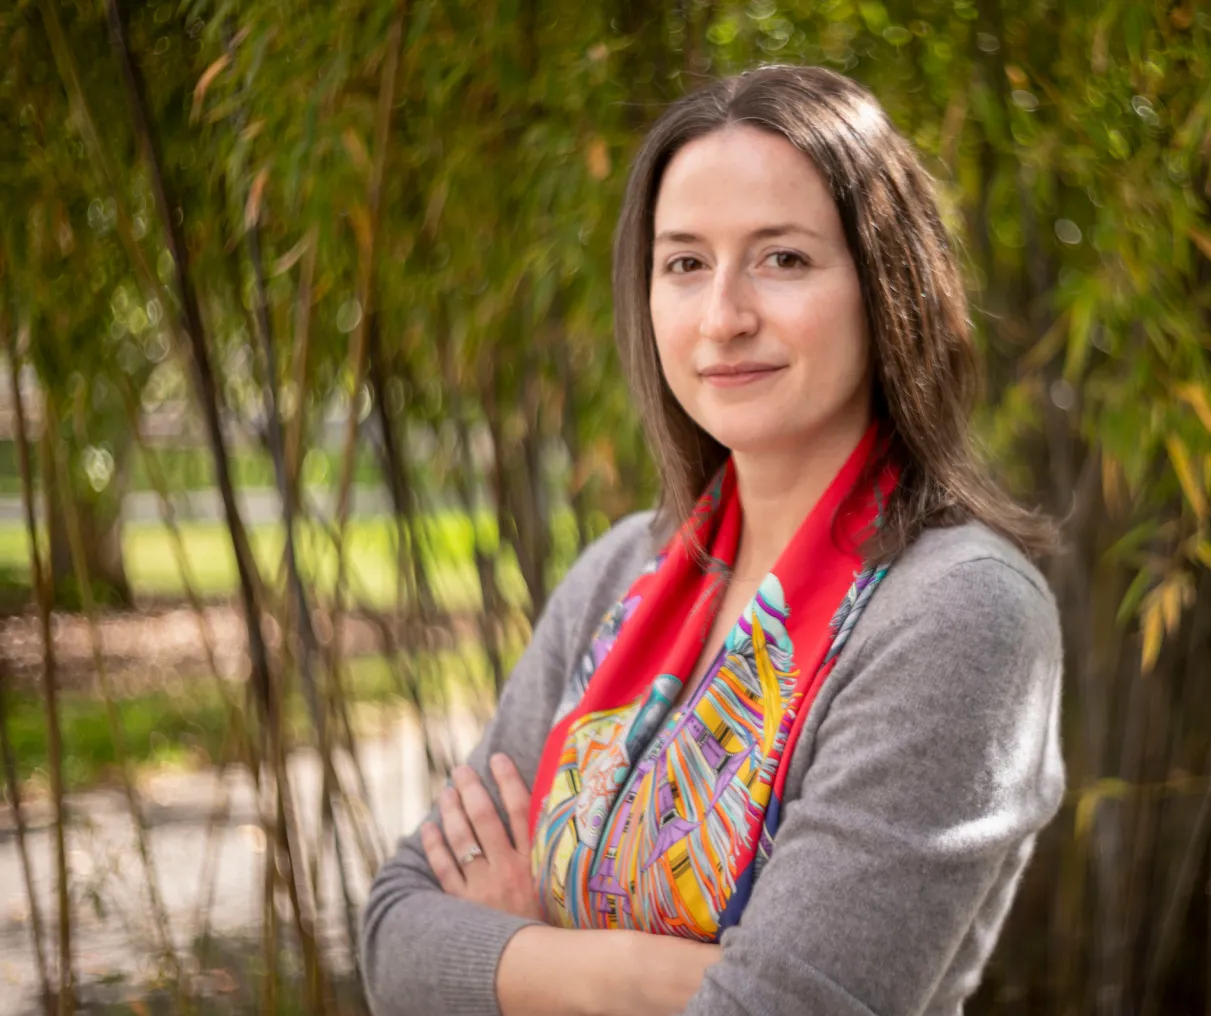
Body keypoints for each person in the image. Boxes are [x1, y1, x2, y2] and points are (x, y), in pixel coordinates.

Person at [361, 64, 1065, 1016]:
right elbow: (394, 935)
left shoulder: (956, 613)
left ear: (885, 286)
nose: (724, 317)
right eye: (685, 263)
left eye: (782, 259)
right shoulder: (621, 571)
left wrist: (513, 950)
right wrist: (629, 973)